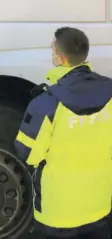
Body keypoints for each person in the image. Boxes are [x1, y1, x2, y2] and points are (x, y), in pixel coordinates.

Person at [14, 27, 112, 239]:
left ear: (60, 57)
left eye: (52, 49)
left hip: (57, 214)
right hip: (100, 207)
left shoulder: (46, 103)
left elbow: (27, 153)